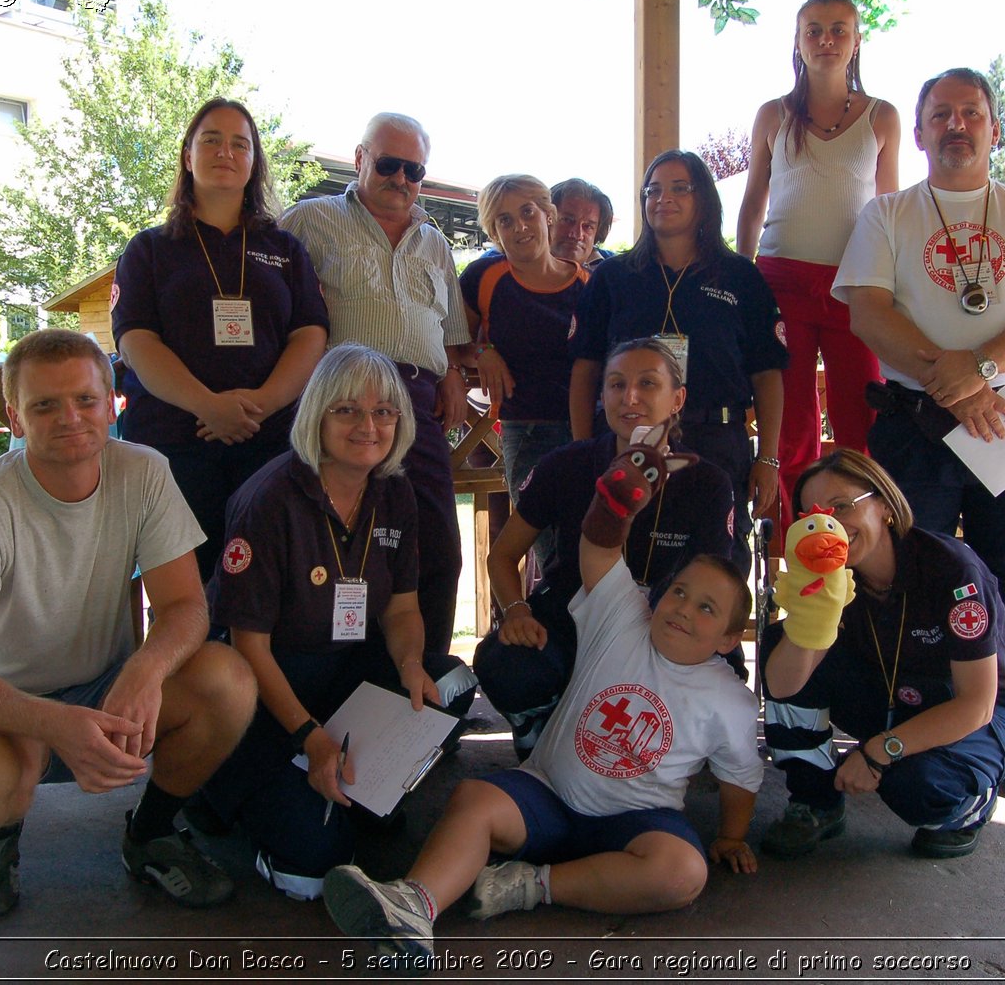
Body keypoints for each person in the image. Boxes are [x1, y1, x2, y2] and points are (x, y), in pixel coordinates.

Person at [321, 428, 762, 967]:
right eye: (678, 592)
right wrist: (615, 501)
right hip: (548, 796)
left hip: (636, 822)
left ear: (728, 641)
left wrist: (733, 836)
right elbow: (600, 546)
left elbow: (741, 776)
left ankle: (529, 886)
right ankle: (414, 905)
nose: (683, 609)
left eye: (707, 610)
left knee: (683, 873)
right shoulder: (624, 615)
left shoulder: (729, 699)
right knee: (474, 800)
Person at [0, 329, 257, 919]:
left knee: (227, 682)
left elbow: (185, 607)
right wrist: (49, 723)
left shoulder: (143, 472)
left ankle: (150, 834)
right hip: (0, 706)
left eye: (85, 400)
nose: (70, 418)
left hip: (104, 687)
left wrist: (147, 670)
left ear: (113, 404)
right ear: (16, 420)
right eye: (45, 405)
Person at [833, 67, 1005, 805]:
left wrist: (977, 374)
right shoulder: (887, 215)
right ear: (918, 133)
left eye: (971, 113)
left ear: (994, 129)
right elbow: (868, 313)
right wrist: (953, 384)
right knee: (907, 571)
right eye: (940, 114)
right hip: (914, 422)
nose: (956, 125)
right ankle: (914, 720)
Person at [192, 344, 478, 900]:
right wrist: (311, 736)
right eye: (347, 410)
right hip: (269, 694)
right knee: (312, 872)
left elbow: (400, 608)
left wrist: (412, 663)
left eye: (384, 411)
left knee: (450, 685)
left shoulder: (394, 490)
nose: (368, 426)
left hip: (346, 672)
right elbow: (250, 647)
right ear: (316, 414)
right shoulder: (268, 500)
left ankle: (357, 794)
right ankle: (229, 800)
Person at [760, 450, 1005, 859]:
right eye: (810, 514)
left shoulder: (950, 570)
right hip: (890, 695)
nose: (829, 524)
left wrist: (878, 751)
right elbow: (783, 686)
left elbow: (977, 704)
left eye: (841, 507)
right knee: (783, 641)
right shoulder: (827, 579)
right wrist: (813, 618)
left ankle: (972, 806)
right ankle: (815, 801)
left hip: (981, 710)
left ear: (885, 505)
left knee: (918, 788)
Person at [474, 337, 738, 758]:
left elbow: (714, 585)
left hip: (664, 625)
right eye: (616, 384)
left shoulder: (707, 481)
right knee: (508, 664)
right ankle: (538, 727)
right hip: (571, 615)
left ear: (677, 399)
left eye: (648, 384)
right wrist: (517, 611)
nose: (629, 397)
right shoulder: (565, 464)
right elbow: (503, 555)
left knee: (727, 680)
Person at [112, 97, 329, 582]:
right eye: (211, 139)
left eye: (240, 143)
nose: (225, 152)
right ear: (188, 156)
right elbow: (136, 341)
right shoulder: (149, 249)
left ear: (254, 163)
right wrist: (207, 404)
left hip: (269, 441)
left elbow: (311, 335)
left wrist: (261, 404)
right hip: (175, 444)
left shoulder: (285, 248)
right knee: (184, 589)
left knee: (267, 580)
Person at [281, 113, 469, 654]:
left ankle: (427, 684)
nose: (401, 178)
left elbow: (450, 330)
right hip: (341, 402)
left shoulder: (435, 243)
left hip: (418, 405)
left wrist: (454, 372)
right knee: (339, 548)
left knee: (436, 545)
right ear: (361, 159)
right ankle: (340, 688)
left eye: (414, 169)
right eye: (389, 164)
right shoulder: (306, 221)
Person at [736, 0, 900, 527]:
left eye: (838, 30)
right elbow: (754, 202)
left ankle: (865, 536)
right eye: (813, 30)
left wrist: (892, 288)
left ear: (856, 42)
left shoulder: (883, 117)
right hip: (781, 281)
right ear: (797, 40)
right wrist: (743, 281)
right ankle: (793, 546)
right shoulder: (771, 115)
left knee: (864, 416)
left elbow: (888, 211)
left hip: (856, 287)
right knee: (790, 424)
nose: (826, 40)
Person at [570, 149, 788, 541]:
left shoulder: (740, 277)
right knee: (621, 556)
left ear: (703, 198)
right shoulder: (612, 277)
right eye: (652, 190)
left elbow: (768, 373)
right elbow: (585, 370)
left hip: (718, 443)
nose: (662, 198)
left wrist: (769, 458)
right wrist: (585, 450)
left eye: (679, 188)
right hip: (625, 442)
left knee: (716, 566)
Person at [460, 174, 587, 555]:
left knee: (592, 548)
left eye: (527, 212)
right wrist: (483, 353)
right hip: (526, 432)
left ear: (548, 215)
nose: (519, 226)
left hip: (586, 431)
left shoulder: (589, 285)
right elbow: (452, 343)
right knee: (549, 553)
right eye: (504, 220)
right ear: (494, 233)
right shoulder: (483, 278)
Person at [549, 177, 615, 266]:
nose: (577, 235)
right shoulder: (525, 265)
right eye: (567, 220)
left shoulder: (616, 271)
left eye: (587, 226)